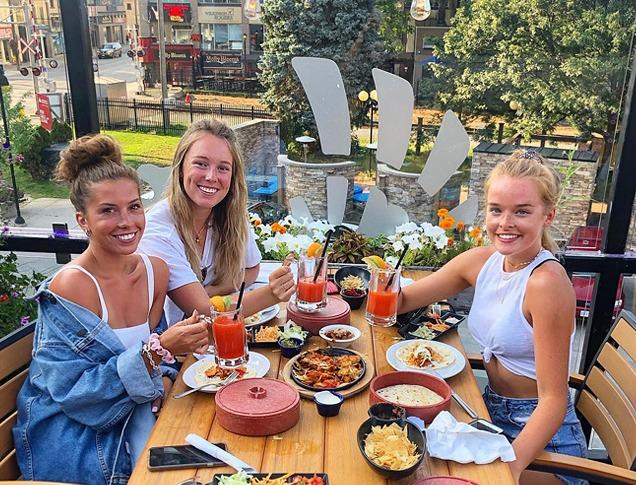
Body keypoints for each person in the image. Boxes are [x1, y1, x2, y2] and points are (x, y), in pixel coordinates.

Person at [13, 134, 209, 485]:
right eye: (108, 210)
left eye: (134, 206)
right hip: (83, 439)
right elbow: (76, 394)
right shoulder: (71, 286)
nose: (127, 222)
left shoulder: (155, 271)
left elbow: (157, 357)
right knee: (195, 464)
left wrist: (164, 370)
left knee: (217, 448)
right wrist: (160, 351)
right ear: (82, 220)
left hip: (137, 413)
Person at [397, 150, 587, 485]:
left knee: (425, 473)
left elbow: (554, 400)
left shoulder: (546, 283)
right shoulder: (482, 261)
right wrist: (355, 284)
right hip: (489, 413)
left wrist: (508, 470)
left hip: (544, 445)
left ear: (548, 216)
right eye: (496, 210)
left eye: (522, 212)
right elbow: (403, 301)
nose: (505, 223)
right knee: (405, 453)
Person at [139, 119, 294, 325]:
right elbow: (202, 310)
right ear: (181, 166)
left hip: (215, 338)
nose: (212, 176)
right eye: (201, 164)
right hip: (173, 350)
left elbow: (251, 269)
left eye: (223, 168)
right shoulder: (158, 230)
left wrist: (213, 292)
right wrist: (271, 294)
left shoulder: (230, 213)